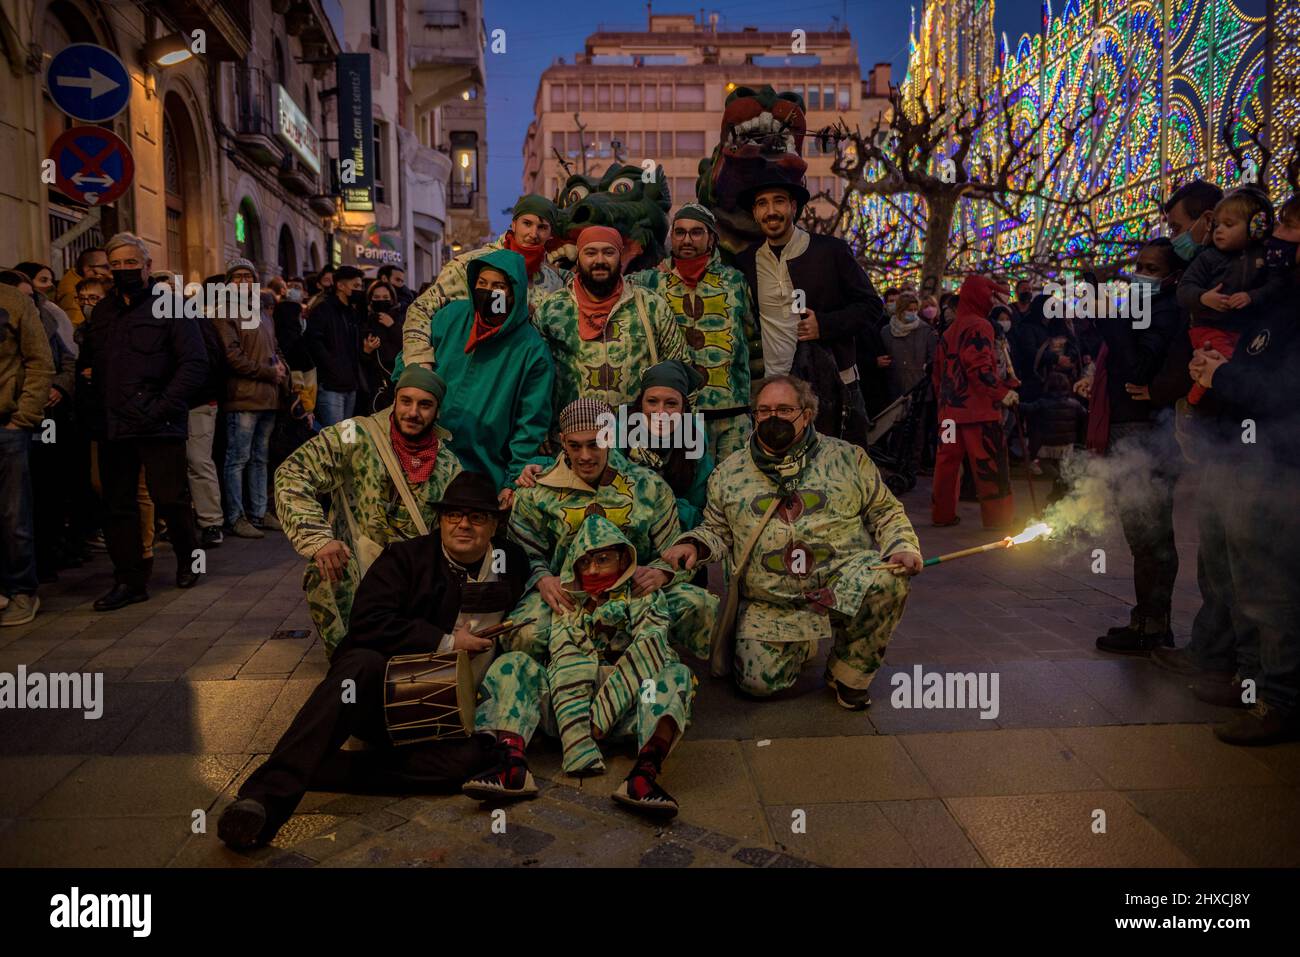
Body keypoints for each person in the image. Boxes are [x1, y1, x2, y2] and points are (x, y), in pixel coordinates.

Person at [218, 471, 530, 848]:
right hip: (381, 697)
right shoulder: (406, 558)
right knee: (359, 665)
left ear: (494, 525)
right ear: (441, 520)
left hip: (442, 716)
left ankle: (317, 767)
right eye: (453, 515)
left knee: (464, 765)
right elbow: (368, 623)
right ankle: (263, 800)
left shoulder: (511, 562)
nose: (463, 524)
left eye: (477, 517)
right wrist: (447, 641)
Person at [662, 374, 921, 706]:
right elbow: (716, 529)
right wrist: (693, 545)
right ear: (753, 415)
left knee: (889, 579)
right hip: (773, 602)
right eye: (765, 410)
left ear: (807, 414)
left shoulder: (848, 458)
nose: (774, 418)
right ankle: (798, 642)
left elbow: (885, 511)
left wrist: (902, 547)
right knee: (757, 685)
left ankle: (848, 671)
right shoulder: (729, 473)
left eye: (785, 409)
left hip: (841, 585)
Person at [467, 515, 693, 816]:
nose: (594, 569)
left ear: (623, 558)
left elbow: (647, 650)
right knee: (512, 664)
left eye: (603, 559)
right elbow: (565, 660)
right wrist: (578, 738)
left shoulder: (644, 598)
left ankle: (643, 776)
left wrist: (601, 716)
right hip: (566, 711)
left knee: (673, 674)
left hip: (631, 708)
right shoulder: (568, 602)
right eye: (584, 562)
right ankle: (513, 766)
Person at [1169, 293, 1300, 744]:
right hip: (1238, 455)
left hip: (1278, 466)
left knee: (1269, 591)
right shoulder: (1278, 304)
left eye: (1290, 225)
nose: (1280, 236)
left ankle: (1278, 701)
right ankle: (1249, 682)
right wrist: (1215, 370)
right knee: (1236, 581)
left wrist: (1224, 374)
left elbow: (1283, 393)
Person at [505, 397, 716, 663]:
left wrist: (660, 574)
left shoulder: (647, 486)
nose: (585, 456)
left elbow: (676, 552)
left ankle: (656, 663)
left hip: (635, 595)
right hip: (569, 600)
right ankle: (552, 677)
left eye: (595, 444)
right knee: (523, 632)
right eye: (575, 445)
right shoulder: (537, 491)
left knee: (699, 604)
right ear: (561, 440)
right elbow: (520, 554)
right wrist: (542, 579)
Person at [275, 366, 463, 656]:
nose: (413, 412)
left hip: (412, 580)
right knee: (323, 570)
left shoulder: (448, 464)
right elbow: (292, 473)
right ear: (394, 401)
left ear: (437, 411)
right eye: (406, 401)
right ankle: (345, 661)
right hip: (359, 567)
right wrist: (319, 539)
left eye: (425, 405)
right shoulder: (355, 434)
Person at [78, 233, 207, 611]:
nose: (123, 271)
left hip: (159, 421)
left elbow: (194, 364)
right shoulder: (103, 312)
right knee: (118, 505)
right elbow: (90, 362)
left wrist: (161, 406)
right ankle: (130, 580)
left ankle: (189, 557)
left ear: (147, 266)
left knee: (170, 497)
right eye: (115, 265)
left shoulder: (172, 307)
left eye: (130, 263)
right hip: (113, 425)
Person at [394, 249, 554, 506]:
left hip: (480, 470)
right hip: (419, 453)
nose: (489, 292)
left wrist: (512, 481)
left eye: (498, 286)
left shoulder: (532, 351)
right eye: (482, 284)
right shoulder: (452, 317)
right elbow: (407, 364)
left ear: (514, 291)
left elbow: (530, 424)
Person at [733, 177, 880, 445]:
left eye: (779, 201)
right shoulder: (745, 261)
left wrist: (824, 325)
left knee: (839, 470)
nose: (771, 211)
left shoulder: (830, 251)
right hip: (773, 392)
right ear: (755, 213)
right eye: (762, 204)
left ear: (793, 207)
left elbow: (872, 307)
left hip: (832, 386)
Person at [627, 203, 754, 461]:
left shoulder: (735, 282)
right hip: (677, 418)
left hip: (733, 415)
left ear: (711, 239)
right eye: (680, 232)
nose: (687, 239)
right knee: (687, 490)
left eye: (696, 232)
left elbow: (754, 340)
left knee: (734, 486)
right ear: (671, 237)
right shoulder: (649, 281)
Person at [533, 226, 687, 423]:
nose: (599, 261)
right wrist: (539, 427)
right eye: (590, 253)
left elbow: (678, 368)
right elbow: (535, 377)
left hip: (636, 438)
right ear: (578, 257)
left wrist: (676, 428)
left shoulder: (650, 306)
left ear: (619, 256)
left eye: (608, 252)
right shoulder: (552, 309)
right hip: (575, 441)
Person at [404, 195, 567, 369]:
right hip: (469, 373)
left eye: (542, 227)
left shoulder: (553, 281)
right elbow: (421, 308)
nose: (533, 234)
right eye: (527, 224)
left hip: (523, 379)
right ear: (513, 224)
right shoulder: (472, 265)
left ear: (550, 233)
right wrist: (420, 363)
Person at [1175, 187, 1286, 408]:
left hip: (1244, 330)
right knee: (1225, 365)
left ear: (1257, 227)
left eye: (1229, 225)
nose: (1219, 231)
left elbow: (1277, 285)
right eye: (1216, 225)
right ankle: (1191, 404)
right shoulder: (1208, 258)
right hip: (1209, 327)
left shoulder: (1265, 257)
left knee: (1245, 366)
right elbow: (1185, 289)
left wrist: (1251, 296)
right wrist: (1204, 297)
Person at [931, 274, 1018, 529]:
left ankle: (942, 514)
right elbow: (977, 367)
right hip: (978, 413)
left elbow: (938, 374)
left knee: (946, 465)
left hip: (949, 412)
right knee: (989, 465)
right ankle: (998, 519)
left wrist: (944, 404)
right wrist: (1002, 393)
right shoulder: (980, 325)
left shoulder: (949, 331)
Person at [219, 261, 288, 539]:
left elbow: (274, 346)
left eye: (249, 276)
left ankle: (259, 512)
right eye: (238, 277)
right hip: (243, 396)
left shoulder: (262, 312)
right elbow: (231, 356)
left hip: (268, 395)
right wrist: (268, 372)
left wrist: (282, 369)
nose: (244, 281)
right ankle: (236, 516)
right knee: (238, 459)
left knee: (260, 458)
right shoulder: (225, 312)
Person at [0, 281, 54, 625]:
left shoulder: (12, 299)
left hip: (6, 425)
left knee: (12, 514)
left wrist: (23, 417)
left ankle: (21, 590)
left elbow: (40, 360)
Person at [612, 359, 713, 530]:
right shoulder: (620, 432)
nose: (661, 412)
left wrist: (664, 507)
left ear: (683, 409)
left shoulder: (694, 437)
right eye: (652, 401)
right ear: (641, 403)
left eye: (671, 404)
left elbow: (699, 507)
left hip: (678, 527)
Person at [187, 275, 229, 549]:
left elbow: (213, 362)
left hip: (198, 402)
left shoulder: (199, 324)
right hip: (167, 404)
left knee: (199, 461)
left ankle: (211, 521)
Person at [305, 264, 365, 427]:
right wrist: (332, 367)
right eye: (356, 286)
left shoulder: (352, 312)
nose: (360, 290)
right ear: (340, 285)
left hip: (350, 385)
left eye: (361, 286)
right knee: (335, 437)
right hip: (331, 386)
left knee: (346, 438)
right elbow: (314, 343)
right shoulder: (323, 310)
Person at [359, 280, 404, 414]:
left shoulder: (402, 317)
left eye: (385, 297)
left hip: (398, 380)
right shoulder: (365, 321)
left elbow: (408, 344)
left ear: (392, 298)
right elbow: (362, 361)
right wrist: (367, 351)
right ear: (370, 299)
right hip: (376, 385)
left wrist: (392, 326)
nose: (381, 300)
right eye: (376, 297)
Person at [55, 247, 110, 327]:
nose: (111, 270)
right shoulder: (72, 292)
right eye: (105, 267)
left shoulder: (81, 282)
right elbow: (77, 323)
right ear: (87, 269)